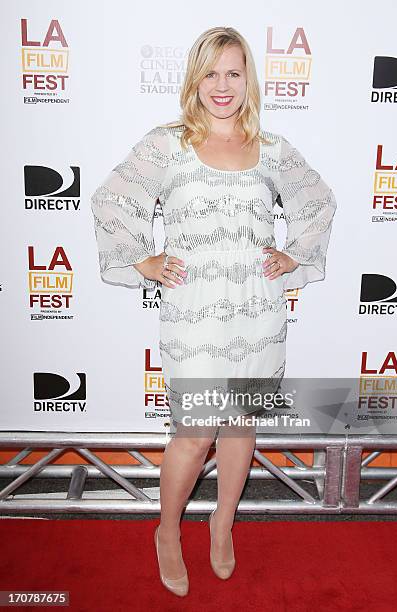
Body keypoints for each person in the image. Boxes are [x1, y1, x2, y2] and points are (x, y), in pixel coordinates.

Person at [90, 26, 337, 597]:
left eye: (233, 72)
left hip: (258, 312)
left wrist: (292, 255)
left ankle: (222, 522)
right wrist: (140, 261)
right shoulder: (165, 144)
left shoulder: (272, 149)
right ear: (194, 79)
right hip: (194, 314)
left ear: (248, 78)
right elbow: (111, 200)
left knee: (239, 427)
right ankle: (168, 531)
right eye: (211, 73)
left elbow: (318, 201)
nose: (222, 86)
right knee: (194, 432)